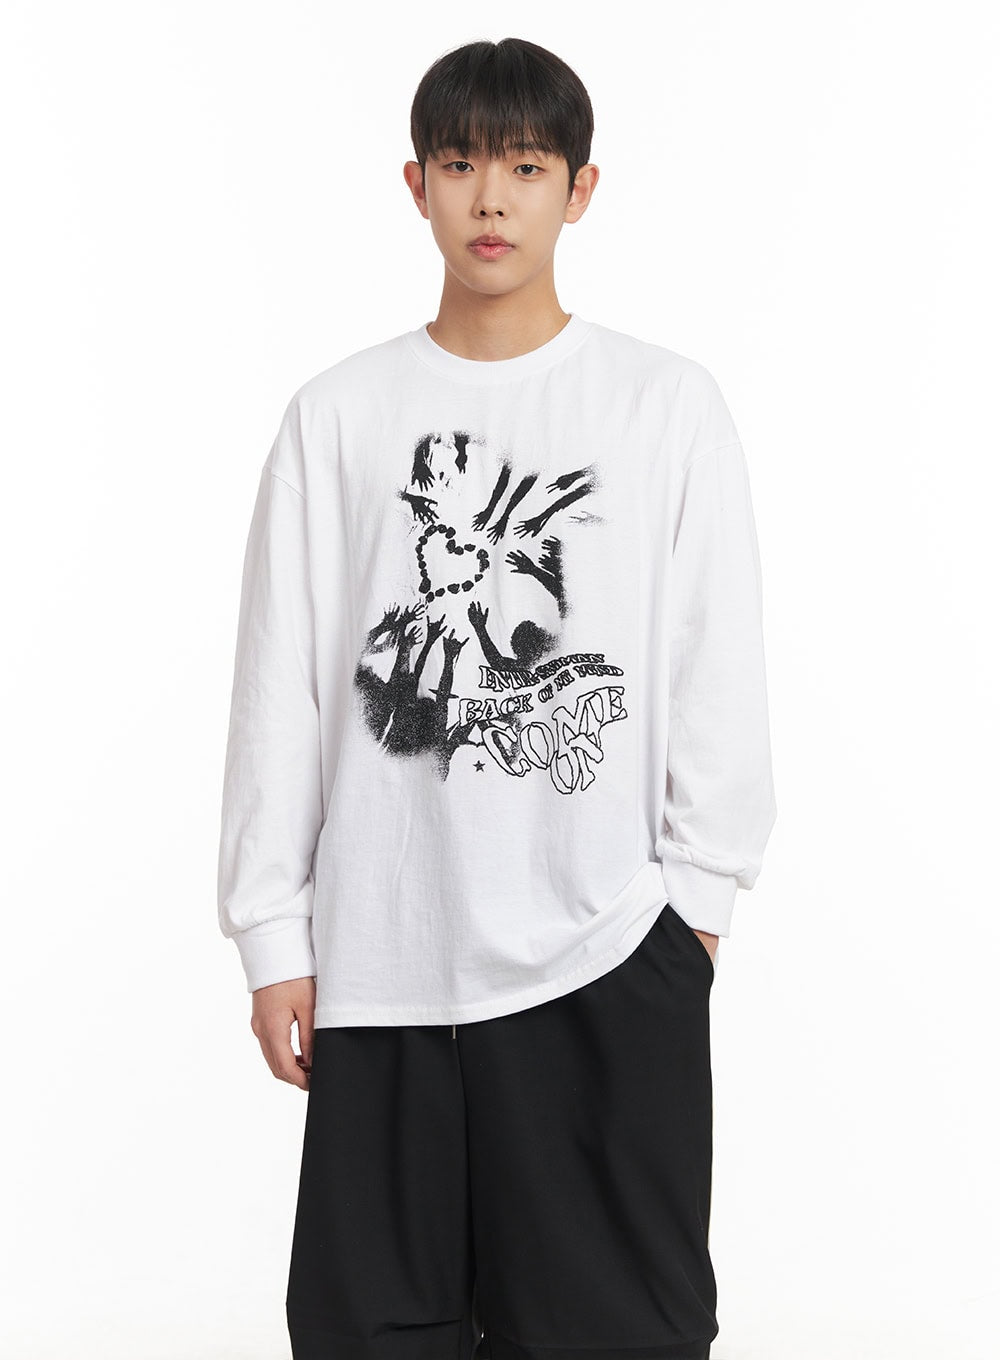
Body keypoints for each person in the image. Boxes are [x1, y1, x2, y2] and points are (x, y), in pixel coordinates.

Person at [217, 35, 777, 1360]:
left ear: (581, 190)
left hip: (606, 956)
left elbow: (715, 659)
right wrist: (272, 933)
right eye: (463, 163)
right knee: (371, 1329)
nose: (491, 199)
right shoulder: (338, 416)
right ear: (415, 183)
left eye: (526, 167)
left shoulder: (662, 406)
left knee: (618, 1330)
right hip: (385, 968)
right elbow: (281, 682)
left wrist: (694, 910)